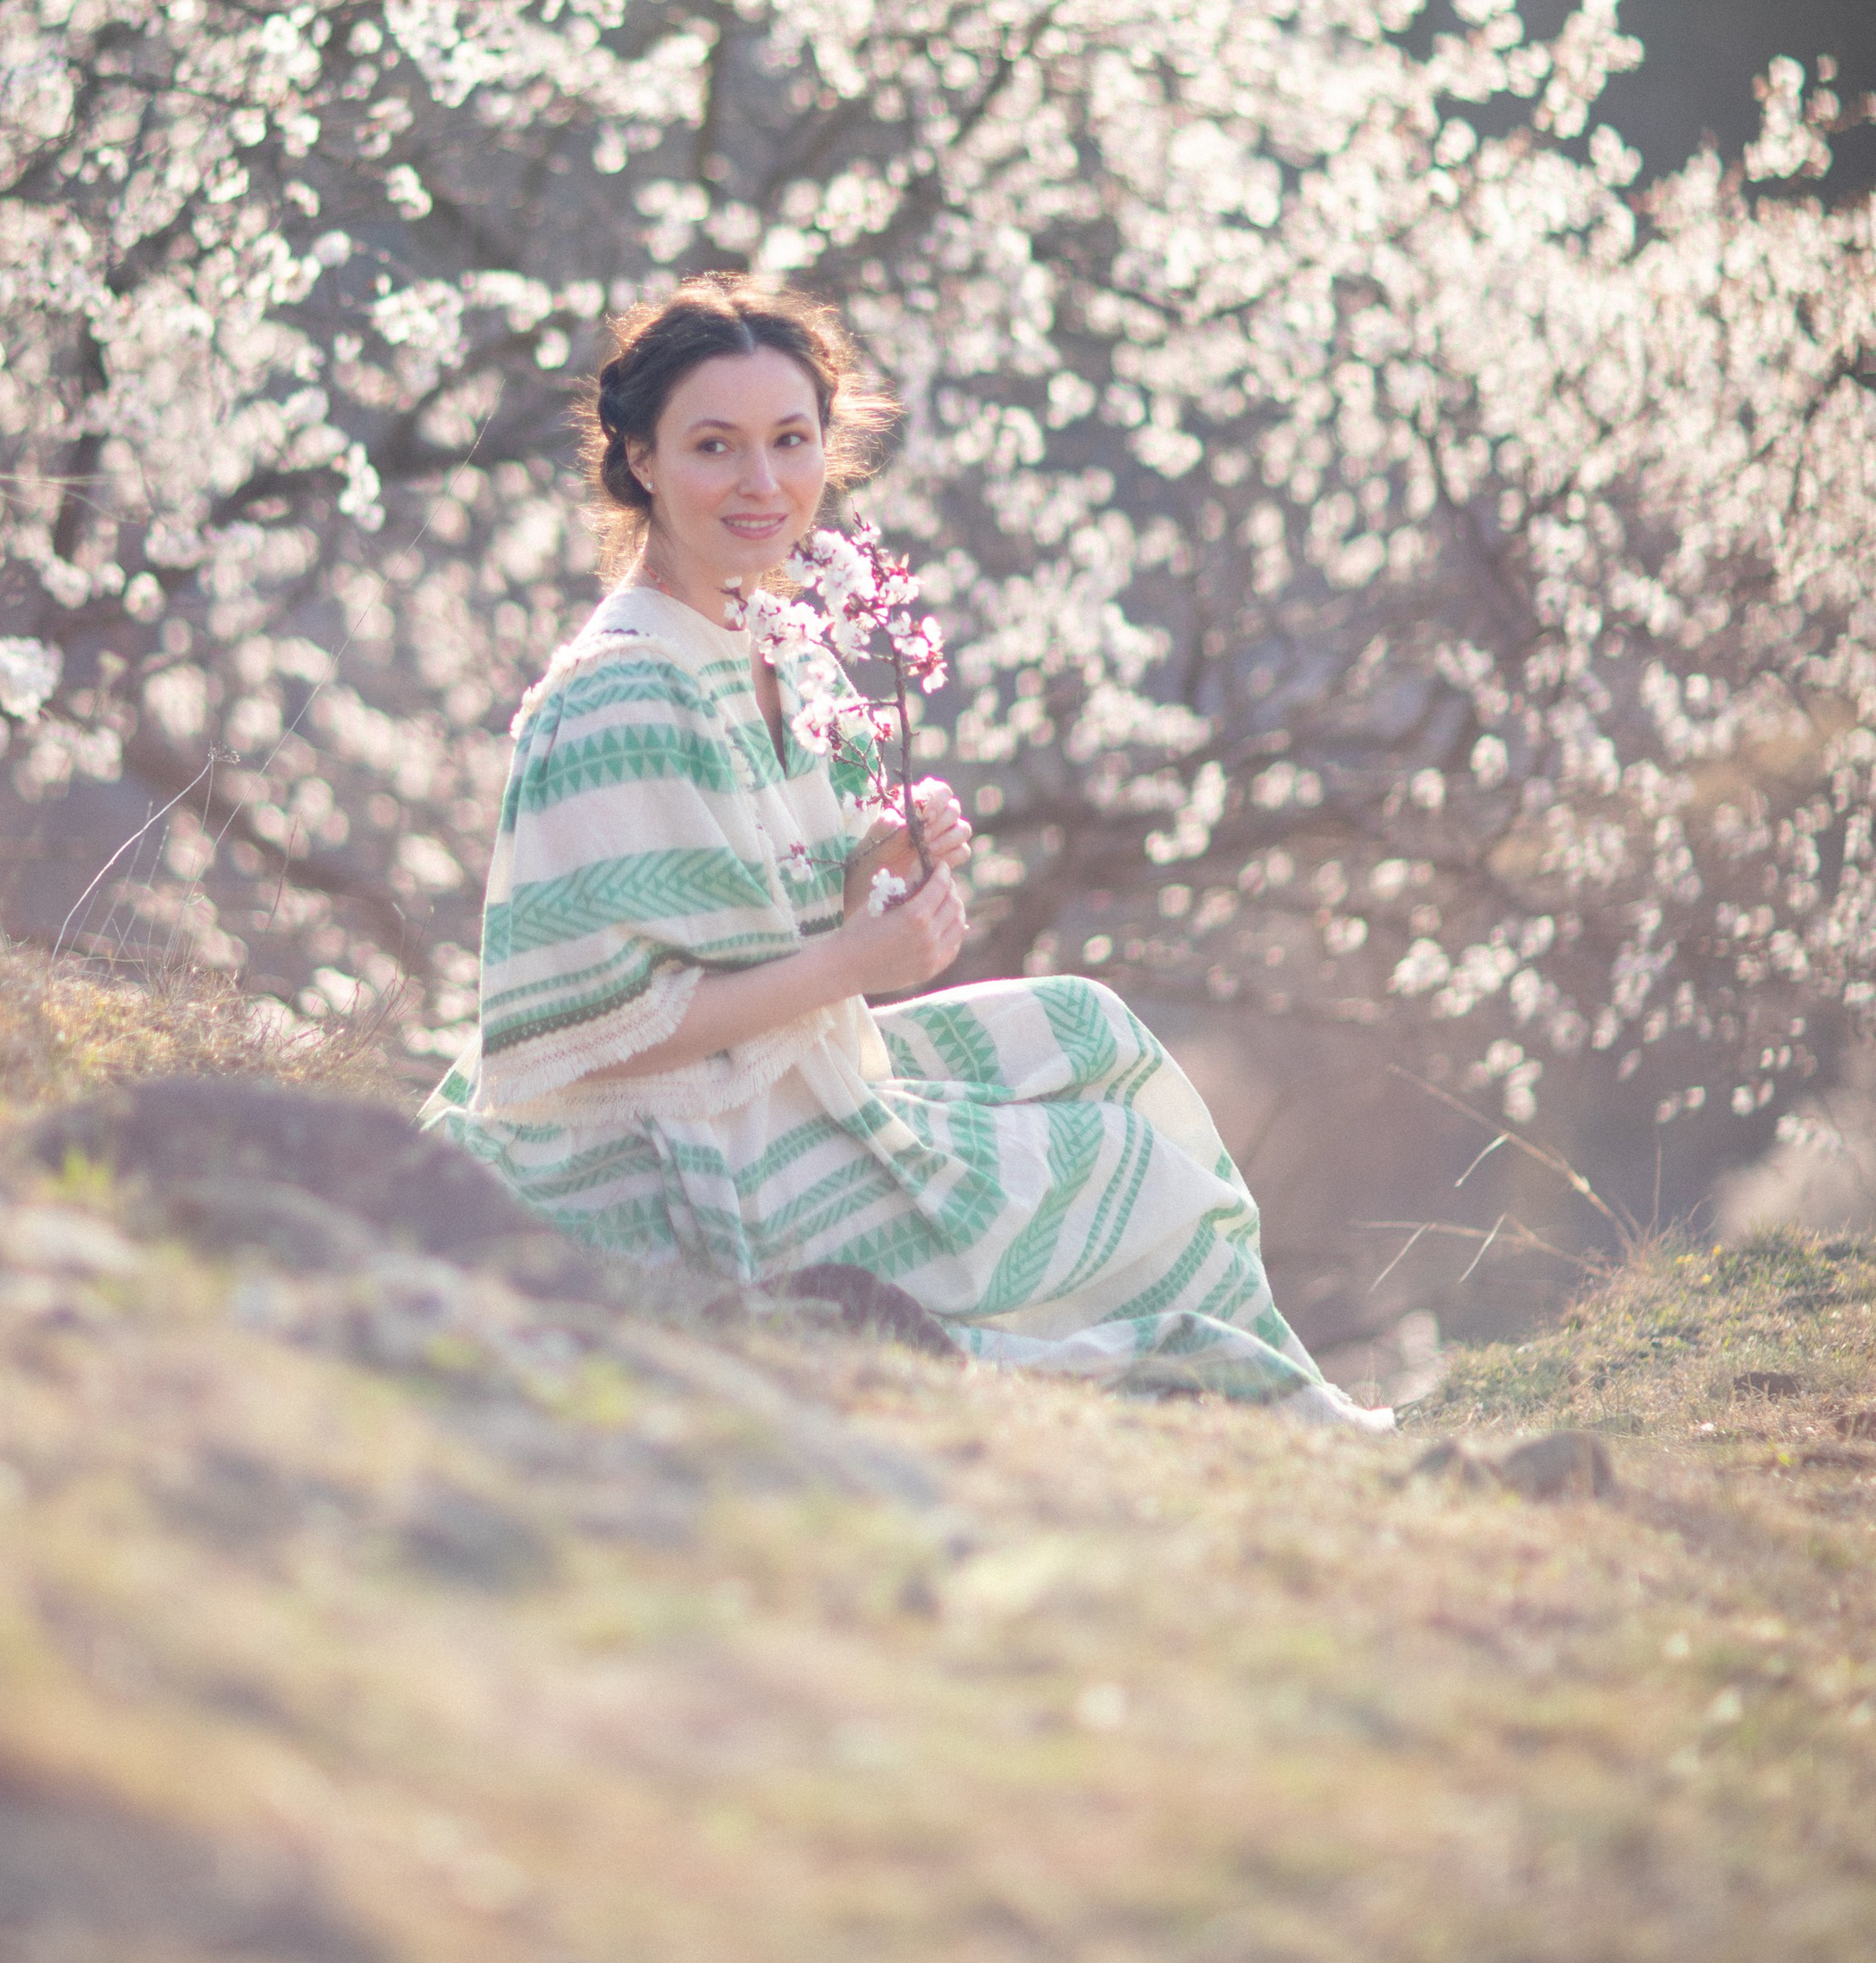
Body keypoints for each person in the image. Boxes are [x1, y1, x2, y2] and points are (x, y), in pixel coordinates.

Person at [420, 274, 1393, 1428]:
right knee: (1101, 1175)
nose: (762, 482)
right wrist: (854, 966)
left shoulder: (782, 640)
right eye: (714, 446)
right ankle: (1229, 1421)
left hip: (798, 1073)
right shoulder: (619, 694)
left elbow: (764, 922)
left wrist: (875, 871)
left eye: (791, 440)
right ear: (639, 459)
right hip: (676, 1151)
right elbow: (584, 1038)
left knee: (1091, 1030)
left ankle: (1269, 1397)